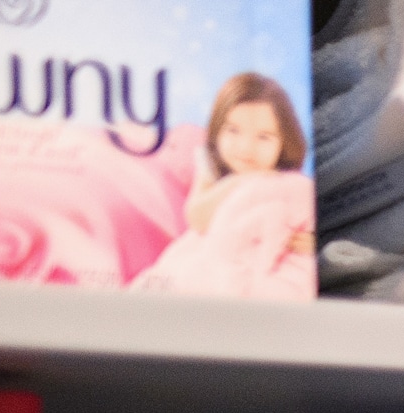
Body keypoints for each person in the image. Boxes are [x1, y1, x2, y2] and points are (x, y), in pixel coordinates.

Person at [131, 74, 314, 299]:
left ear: (284, 142)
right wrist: (239, 183)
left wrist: (309, 242)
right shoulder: (211, 165)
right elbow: (197, 217)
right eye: (233, 131)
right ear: (217, 130)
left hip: (267, 261)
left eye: (264, 137)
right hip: (208, 250)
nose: (246, 148)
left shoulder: (287, 183)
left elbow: (303, 221)